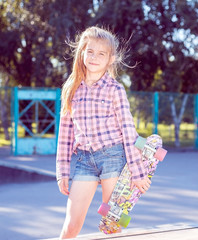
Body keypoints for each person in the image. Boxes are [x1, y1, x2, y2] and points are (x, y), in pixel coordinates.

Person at [56, 26, 151, 239]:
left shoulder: (115, 90)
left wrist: (137, 171)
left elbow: (128, 131)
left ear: (110, 59)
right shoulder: (71, 88)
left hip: (113, 158)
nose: (94, 57)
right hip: (84, 161)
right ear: (81, 53)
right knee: (71, 225)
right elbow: (65, 133)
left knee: (113, 223)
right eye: (90, 51)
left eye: (101, 53)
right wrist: (62, 170)